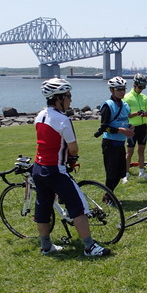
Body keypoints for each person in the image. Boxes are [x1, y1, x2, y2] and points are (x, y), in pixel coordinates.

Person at [32, 78, 111, 257]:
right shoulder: (62, 120)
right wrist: (72, 157)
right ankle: (90, 247)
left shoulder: (40, 116)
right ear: (58, 98)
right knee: (78, 206)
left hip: (38, 168)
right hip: (55, 170)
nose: (71, 99)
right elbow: (73, 148)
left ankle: (46, 246)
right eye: (68, 96)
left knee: (43, 207)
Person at [97, 76, 134, 193]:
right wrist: (121, 130)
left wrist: (129, 127)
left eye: (124, 89)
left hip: (120, 143)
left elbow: (124, 121)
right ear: (112, 90)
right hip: (110, 143)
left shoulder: (125, 105)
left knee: (120, 172)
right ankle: (108, 196)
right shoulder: (108, 105)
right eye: (119, 89)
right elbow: (104, 128)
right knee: (111, 173)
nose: (122, 92)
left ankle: (109, 195)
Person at [123, 73, 147, 183]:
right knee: (129, 151)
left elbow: (146, 112)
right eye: (140, 87)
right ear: (134, 85)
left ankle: (141, 172)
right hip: (132, 127)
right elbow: (126, 115)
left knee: (141, 151)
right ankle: (125, 174)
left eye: (144, 87)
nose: (142, 89)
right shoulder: (127, 97)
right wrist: (137, 113)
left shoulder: (144, 97)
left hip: (143, 127)